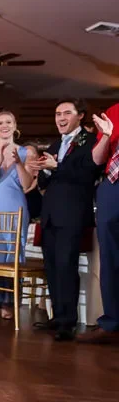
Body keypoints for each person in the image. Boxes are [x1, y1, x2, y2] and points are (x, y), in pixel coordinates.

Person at [27, 99, 98, 341]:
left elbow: (87, 174)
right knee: (53, 268)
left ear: (80, 116)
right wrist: (43, 170)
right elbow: (46, 184)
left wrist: (56, 166)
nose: (60, 117)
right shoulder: (56, 143)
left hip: (72, 214)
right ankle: (57, 316)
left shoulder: (89, 142)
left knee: (67, 268)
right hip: (50, 215)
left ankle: (68, 322)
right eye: (57, 113)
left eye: (66, 113)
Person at [0, 111, 35, 320]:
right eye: (0, 123)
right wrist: (0, 158)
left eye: (8, 122)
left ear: (15, 126)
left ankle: (8, 302)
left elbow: (27, 184)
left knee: (14, 256)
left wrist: (18, 162)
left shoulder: (25, 152)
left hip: (16, 209)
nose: (4, 126)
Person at [78, 104, 119, 344]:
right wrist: (105, 135)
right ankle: (112, 322)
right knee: (111, 258)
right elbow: (97, 159)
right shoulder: (113, 111)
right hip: (112, 187)